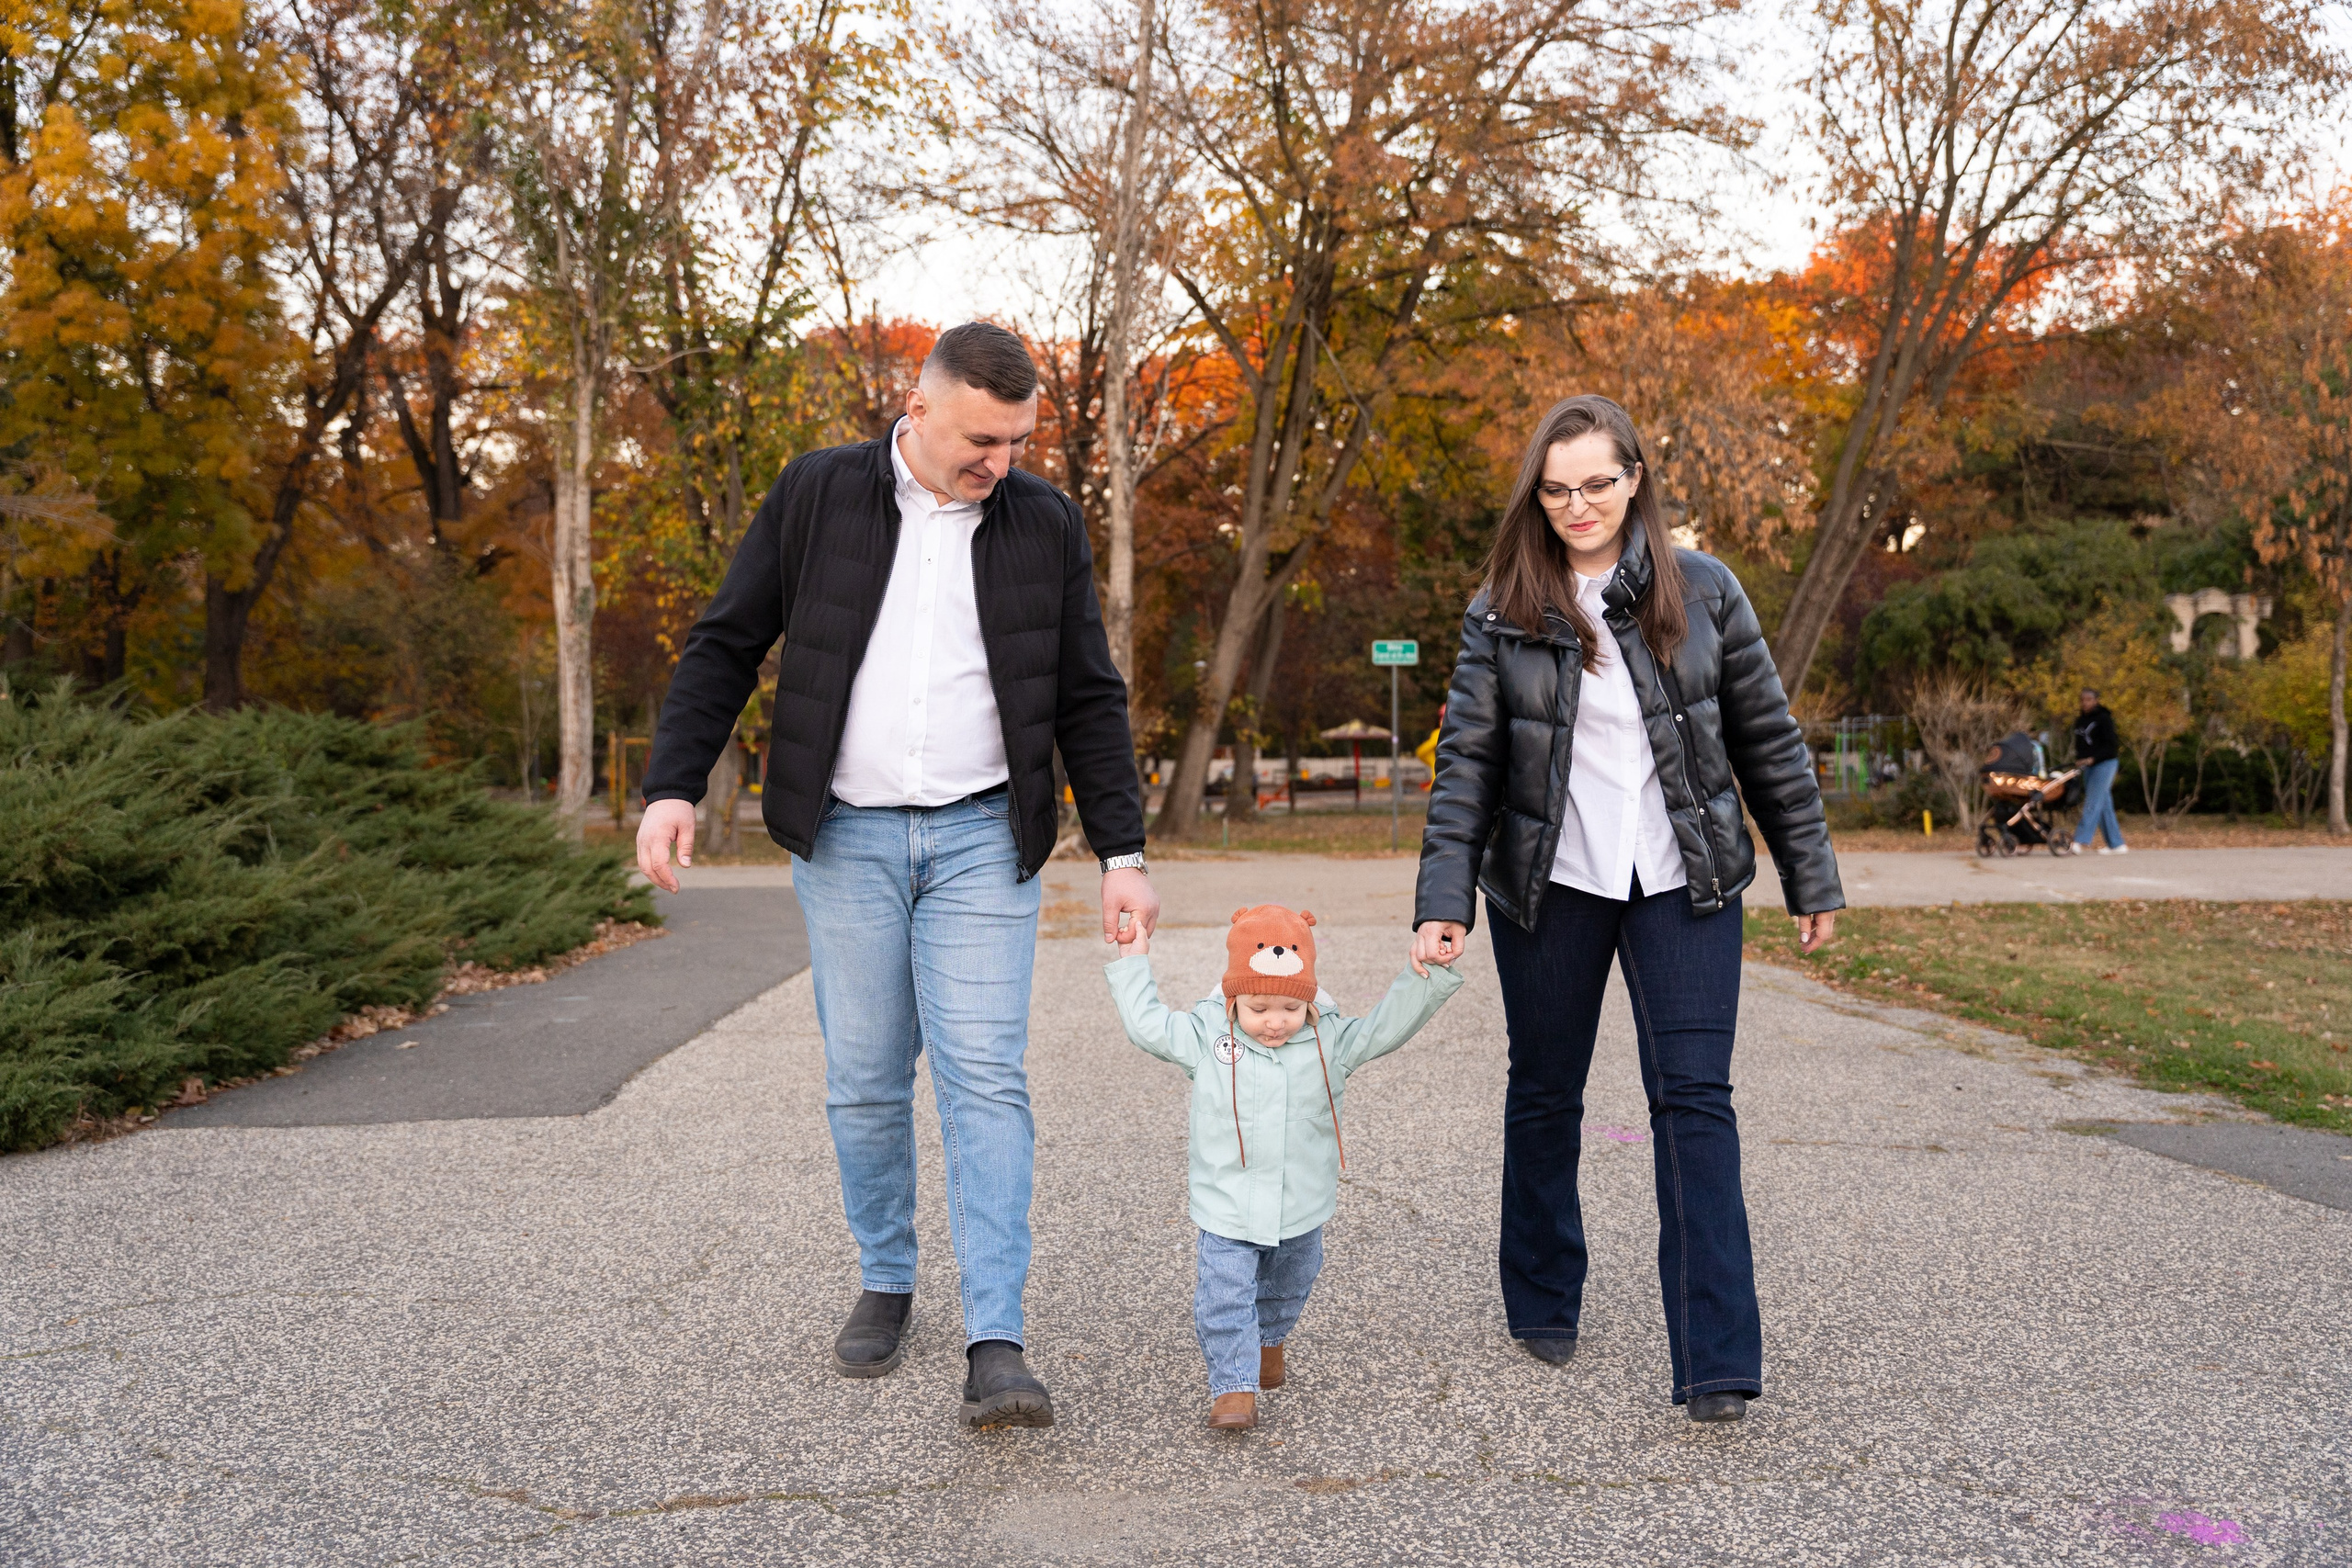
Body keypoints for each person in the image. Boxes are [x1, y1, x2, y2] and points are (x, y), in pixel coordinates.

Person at [635, 321, 1159, 1430]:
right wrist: (673, 785)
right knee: (867, 1078)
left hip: (984, 840)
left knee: (985, 1077)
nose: (1001, 463)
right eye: (981, 441)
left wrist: (1124, 853)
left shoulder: (1043, 521)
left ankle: (996, 1335)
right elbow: (726, 641)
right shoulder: (817, 493)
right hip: (847, 840)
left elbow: (1087, 694)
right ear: (915, 409)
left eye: (1018, 442)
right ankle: (886, 1275)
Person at [1410, 394, 1845, 1425]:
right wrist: (1443, 898)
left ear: (1635, 478)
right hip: (1550, 884)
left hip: (1682, 882)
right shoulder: (1503, 607)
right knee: (1544, 1089)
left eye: (1596, 484)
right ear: (1536, 496)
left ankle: (1717, 1359)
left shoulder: (1706, 590)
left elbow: (1768, 741)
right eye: (1556, 490)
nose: (1578, 506)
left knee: (1695, 1100)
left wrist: (1811, 874)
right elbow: (1467, 762)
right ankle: (1541, 1294)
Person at [1103, 904, 1464, 1430]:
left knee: (1291, 1282)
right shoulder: (1205, 1038)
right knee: (1225, 1294)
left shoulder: (1330, 1041)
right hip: (1228, 1205)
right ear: (1233, 999)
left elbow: (1387, 1026)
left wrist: (1426, 974)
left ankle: (1269, 1341)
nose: (1275, 1021)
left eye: (1291, 1009)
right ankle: (1233, 1386)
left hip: (1301, 1203)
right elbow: (1146, 1025)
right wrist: (1133, 960)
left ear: (1309, 1002)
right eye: (1259, 1008)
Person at [2071, 688, 2126, 854]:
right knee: (2104, 804)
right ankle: (2117, 844)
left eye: (2089, 699)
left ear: (2096, 701)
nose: (2085, 703)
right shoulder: (2080, 721)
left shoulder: (2104, 719)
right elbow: (2080, 745)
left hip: (2105, 764)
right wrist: (2081, 759)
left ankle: (2080, 840)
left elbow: (2111, 746)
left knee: (2093, 801)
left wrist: (2093, 758)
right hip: (2088, 766)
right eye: (2082, 700)